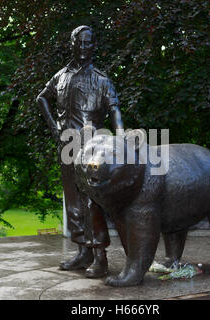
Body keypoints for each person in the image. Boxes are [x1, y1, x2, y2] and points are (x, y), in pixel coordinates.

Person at [36, 26, 123, 278]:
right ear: (72, 44)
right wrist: (53, 126)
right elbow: (41, 98)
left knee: (91, 201)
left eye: (88, 43)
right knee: (73, 201)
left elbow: (114, 108)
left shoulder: (101, 79)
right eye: (80, 43)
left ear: (94, 46)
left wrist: (121, 137)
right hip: (67, 146)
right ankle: (83, 251)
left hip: (92, 147)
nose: (84, 47)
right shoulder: (61, 76)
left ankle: (100, 256)